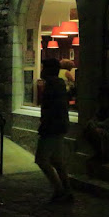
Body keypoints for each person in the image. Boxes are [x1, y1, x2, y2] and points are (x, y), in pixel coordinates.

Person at [35, 58, 73, 203]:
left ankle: (60, 190)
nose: (42, 69)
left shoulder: (52, 85)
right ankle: (67, 190)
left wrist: (45, 125)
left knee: (41, 159)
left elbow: (51, 110)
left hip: (52, 128)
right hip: (59, 126)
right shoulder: (58, 84)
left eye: (44, 67)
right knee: (56, 160)